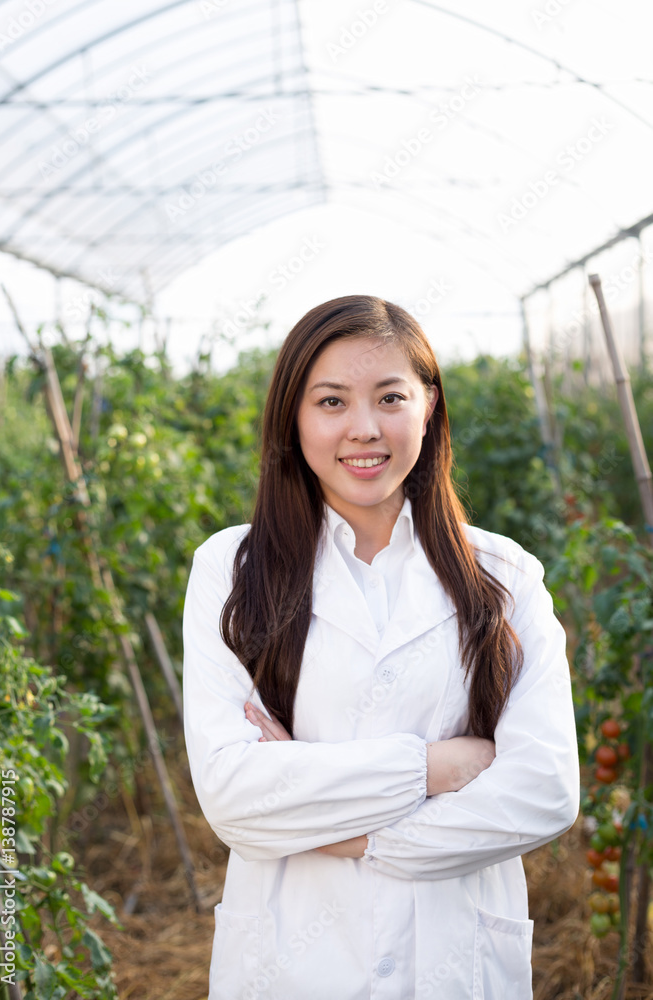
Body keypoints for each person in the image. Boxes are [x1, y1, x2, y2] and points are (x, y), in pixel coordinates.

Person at [182, 294, 580, 1000]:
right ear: (292, 418)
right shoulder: (232, 569)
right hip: (293, 963)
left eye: (389, 397)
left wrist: (353, 837)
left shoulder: (505, 578)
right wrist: (434, 767)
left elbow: (543, 791)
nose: (363, 429)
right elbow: (234, 797)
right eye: (330, 401)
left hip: (453, 963)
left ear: (428, 405)